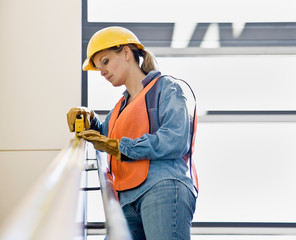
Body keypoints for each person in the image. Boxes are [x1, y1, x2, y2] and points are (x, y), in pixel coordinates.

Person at [67, 26, 198, 240]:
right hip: (127, 200)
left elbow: (175, 139)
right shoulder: (120, 107)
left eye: (105, 61)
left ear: (127, 53)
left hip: (162, 186)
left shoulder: (167, 87)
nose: (102, 72)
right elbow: (105, 138)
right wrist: (88, 117)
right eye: (99, 68)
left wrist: (123, 148)